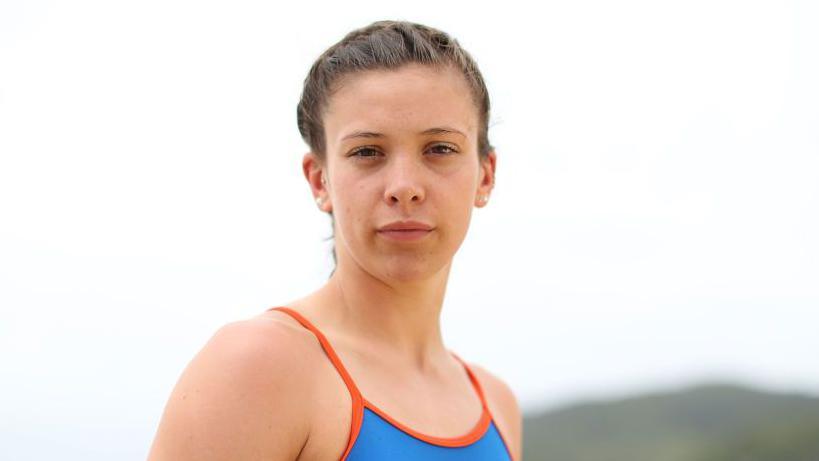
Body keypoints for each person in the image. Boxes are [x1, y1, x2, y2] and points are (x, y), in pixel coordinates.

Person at [148, 19, 521, 460]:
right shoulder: (258, 366)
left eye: (439, 148)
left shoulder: (496, 405)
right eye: (367, 152)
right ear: (319, 179)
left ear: (486, 175)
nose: (404, 186)